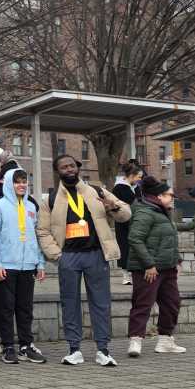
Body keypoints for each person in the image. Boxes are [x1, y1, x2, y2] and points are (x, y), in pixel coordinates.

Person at [37, 154, 131, 367]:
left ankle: (103, 350)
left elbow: (126, 214)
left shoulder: (97, 191)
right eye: (64, 167)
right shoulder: (49, 199)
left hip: (96, 254)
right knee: (69, 302)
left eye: (72, 165)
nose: (69, 169)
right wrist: (57, 255)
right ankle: (74, 349)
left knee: (101, 302)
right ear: (58, 171)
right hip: (68, 257)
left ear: (77, 168)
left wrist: (113, 206)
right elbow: (42, 231)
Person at [0, 168, 47, 365]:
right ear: (8, 183)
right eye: (17, 181)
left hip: (28, 265)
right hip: (6, 265)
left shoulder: (31, 206)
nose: (21, 185)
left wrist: (40, 263)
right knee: (6, 307)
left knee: (25, 308)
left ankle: (25, 346)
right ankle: (8, 346)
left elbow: (36, 236)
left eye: (24, 181)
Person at [126, 176, 187, 357]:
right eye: (170, 195)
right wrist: (149, 264)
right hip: (148, 270)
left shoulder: (162, 212)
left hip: (167, 268)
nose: (173, 198)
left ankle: (165, 341)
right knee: (143, 304)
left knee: (171, 304)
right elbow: (135, 239)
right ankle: (135, 341)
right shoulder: (145, 212)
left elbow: (167, 240)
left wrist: (177, 260)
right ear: (159, 196)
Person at [112, 160, 144, 286]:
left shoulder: (137, 188)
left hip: (137, 222)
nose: (140, 179)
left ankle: (136, 274)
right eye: (139, 177)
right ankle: (126, 275)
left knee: (136, 247)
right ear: (131, 175)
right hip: (124, 223)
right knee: (125, 247)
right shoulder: (119, 188)